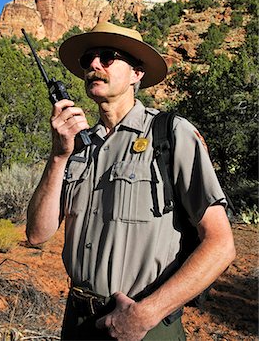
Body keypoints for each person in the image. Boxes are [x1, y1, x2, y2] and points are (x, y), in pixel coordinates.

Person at [26, 21, 236, 341]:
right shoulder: (78, 148)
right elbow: (37, 234)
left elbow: (221, 245)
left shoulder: (170, 133)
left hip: (145, 327)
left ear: (137, 73)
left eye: (107, 57)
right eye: (88, 60)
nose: (94, 65)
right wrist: (58, 156)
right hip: (78, 322)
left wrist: (144, 315)